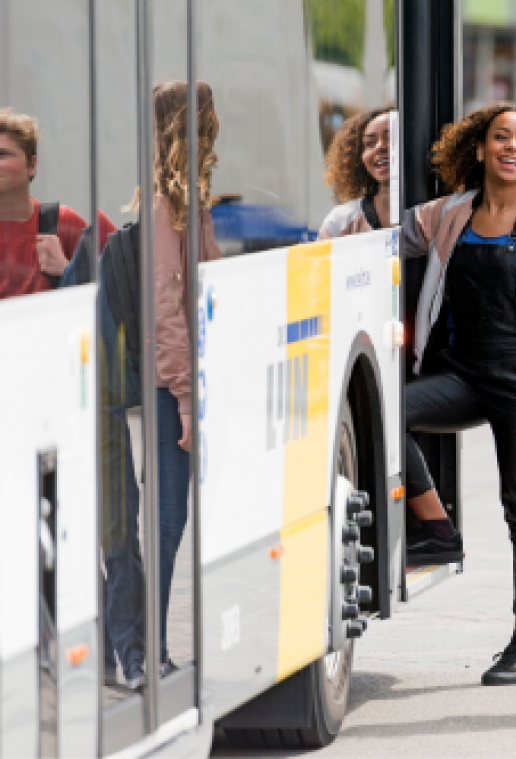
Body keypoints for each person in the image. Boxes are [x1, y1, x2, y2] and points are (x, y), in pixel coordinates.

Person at [399, 103, 516, 686]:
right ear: (477, 149)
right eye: (500, 137)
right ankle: (438, 527)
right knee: (388, 411)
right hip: (458, 375)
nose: (512, 147)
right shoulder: (449, 213)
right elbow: (380, 240)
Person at [102, 81, 223, 688]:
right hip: (167, 388)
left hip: (176, 383)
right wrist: (184, 399)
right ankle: (147, 650)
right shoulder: (165, 209)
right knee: (167, 521)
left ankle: (133, 645)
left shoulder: (185, 204)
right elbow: (167, 314)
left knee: (167, 520)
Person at [0, 108, 116, 299]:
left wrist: (67, 271)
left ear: (32, 165)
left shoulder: (61, 223)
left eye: (2, 154)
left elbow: (123, 281)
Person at [319, 107, 396, 239]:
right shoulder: (339, 222)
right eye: (370, 143)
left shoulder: (435, 213)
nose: (380, 147)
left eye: (390, 138)